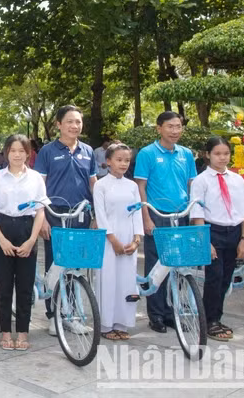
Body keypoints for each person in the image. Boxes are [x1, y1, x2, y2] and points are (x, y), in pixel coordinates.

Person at [34, 105, 97, 336]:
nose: (74, 126)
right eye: (69, 121)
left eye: (78, 121)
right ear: (58, 124)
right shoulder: (47, 152)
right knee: (56, 264)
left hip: (81, 213)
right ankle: (54, 315)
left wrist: (96, 215)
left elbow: (93, 184)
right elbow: (39, 186)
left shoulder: (88, 151)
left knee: (75, 266)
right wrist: (42, 218)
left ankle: (71, 315)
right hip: (55, 214)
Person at [133, 111, 197, 333]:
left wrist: (193, 215)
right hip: (157, 215)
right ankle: (156, 315)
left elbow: (192, 185)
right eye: (170, 126)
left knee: (178, 265)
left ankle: (172, 313)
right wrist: (146, 218)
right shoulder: (147, 153)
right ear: (159, 128)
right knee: (157, 265)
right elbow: (140, 187)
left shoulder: (186, 154)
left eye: (178, 126)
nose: (175, 131)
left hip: (181, 214)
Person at [0, 134, 46, 351]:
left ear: (28, 153)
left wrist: (31, 240)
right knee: (4, 285)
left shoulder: (36, 178)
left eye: (21, 151)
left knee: (25, 286)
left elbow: (40, 211)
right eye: (13, 151)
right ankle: (5, 332)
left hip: (27, 229)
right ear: (6, 153)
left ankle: (23, 332)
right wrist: (0, 239)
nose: (17, 155)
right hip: (3, 228)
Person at [190, 137, 244, 341]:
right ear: (208, 155)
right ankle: (209, 321)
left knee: (226, 278)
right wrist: (205, 241)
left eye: (226, 153)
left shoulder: (237, 180)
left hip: (234, 232)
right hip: (212, 232)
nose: (222, 158)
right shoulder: (201, 181)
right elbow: (197, 214)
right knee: (214, 278)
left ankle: (215, 317)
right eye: (217, 154)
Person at [93, 143, 143, 341]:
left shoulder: (132, 186)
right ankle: (106, 325)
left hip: (129, 238)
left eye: (127, 160)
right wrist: (112, 239)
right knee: (108, 280)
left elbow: (137, 212)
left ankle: (122, 323)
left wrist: (136, 239)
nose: (123, 164)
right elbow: (100, 214)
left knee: (126, 281)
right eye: (119, 160)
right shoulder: (101, 185)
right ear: (108, 161)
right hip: (108, 240)